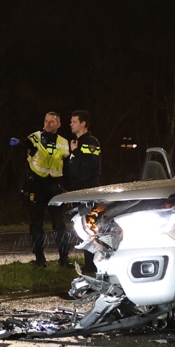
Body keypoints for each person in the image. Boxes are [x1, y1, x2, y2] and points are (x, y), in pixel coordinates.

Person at [22, 110, 70, 266]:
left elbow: (67, 163)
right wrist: (20, 143)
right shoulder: (35, 136)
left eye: (52, 121)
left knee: (60, 224)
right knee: (36, 224)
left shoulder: (63, 141)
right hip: (36, 185)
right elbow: (27, 143)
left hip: (55, 186)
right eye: (46, 121)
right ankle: (39, 259)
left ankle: (64, 258)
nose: (48, 124)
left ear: (59, 124)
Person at [61, 109, 104, 273]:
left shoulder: (91, 142)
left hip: (89, 193)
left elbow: (92, 165)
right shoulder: (76, 143)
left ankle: (92, 265)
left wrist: (76, 152)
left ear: (83, 123)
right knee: (82, 228)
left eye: (74, 121)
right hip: (78, 193)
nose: (70, 124)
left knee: (89, 228)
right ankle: (89, 264)